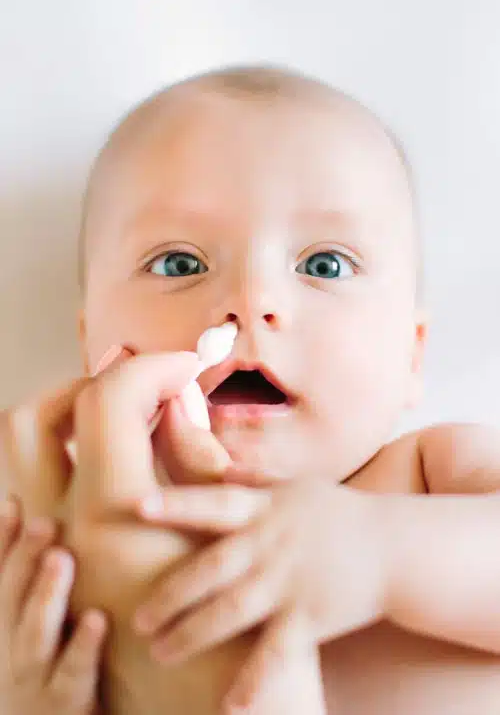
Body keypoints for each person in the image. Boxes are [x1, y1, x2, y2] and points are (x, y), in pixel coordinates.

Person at [2, 64, 500, 714]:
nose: (249, 301)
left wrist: (379, 551)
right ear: (90, 341)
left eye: (325, 264)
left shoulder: (429, 479)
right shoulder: (64, 559)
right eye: (179, 263)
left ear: (412, 355)